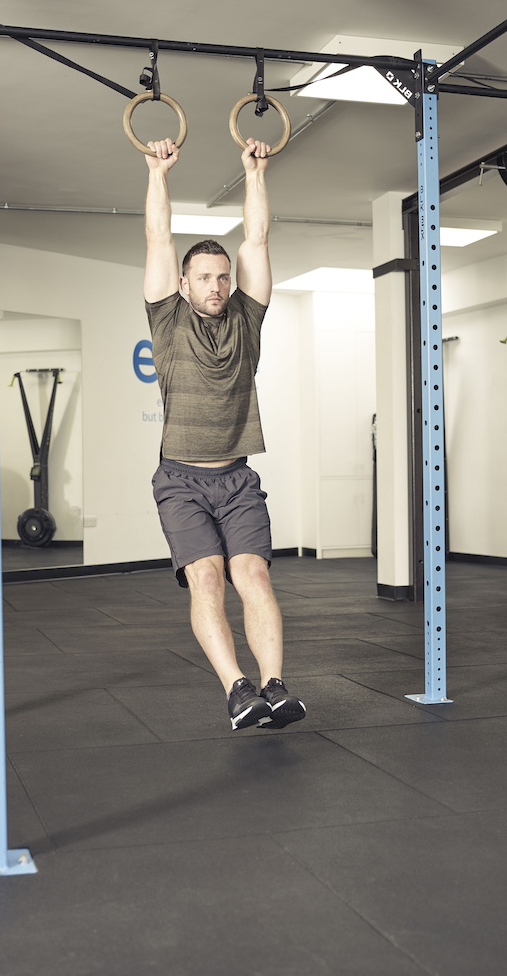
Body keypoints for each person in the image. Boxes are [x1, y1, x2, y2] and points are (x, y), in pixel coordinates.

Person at [143, 133, 306, 732]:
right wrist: (159, 172)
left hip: (238, 479)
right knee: (207, 578)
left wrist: (255, 171)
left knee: (253, 574)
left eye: (221, 276)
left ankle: (274, 685)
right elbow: (158, 238)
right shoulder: (166, 319)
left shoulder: (248, 317)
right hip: (180, 481)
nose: (214, 285)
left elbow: (257, 238)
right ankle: (237, 688)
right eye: (203, 276)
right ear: (183, 285)